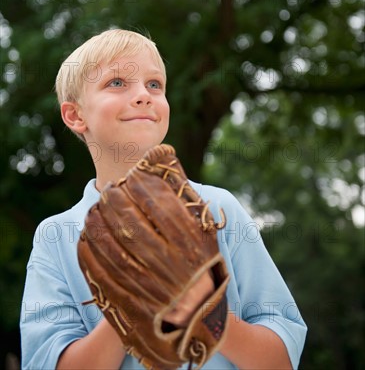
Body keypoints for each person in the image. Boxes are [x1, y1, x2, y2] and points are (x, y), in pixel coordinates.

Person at [20, 28, 307, 369]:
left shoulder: (219, 209)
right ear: (75, 115)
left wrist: (208, 315)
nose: (143, 95)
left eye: (154, 85)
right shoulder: (56, 236)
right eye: (117, 83)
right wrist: (131, 300)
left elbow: (280, 361)